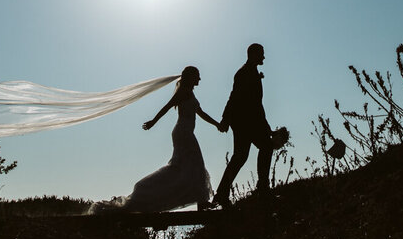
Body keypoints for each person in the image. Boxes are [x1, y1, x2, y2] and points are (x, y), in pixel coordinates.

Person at [92, 66, 224, 213]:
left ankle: (202, 202)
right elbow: (167, 107)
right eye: (197, 76)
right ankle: (148, 192)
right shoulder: (183, 93)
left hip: (186, 133)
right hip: (183, 133)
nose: (199, 79)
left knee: (190, 167)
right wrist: (153, 122)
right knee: (192, 166)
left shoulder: (190, 93)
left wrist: (216, 124)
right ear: (191, 77)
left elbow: (201, 113)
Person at [212, 43, 274, 208]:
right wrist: (226, 118)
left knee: (242, 156)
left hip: (249, 120)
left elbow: (257, 102)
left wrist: (265, 124)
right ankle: (262, 187)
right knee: (262, 148)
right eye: (261, 54)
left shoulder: (251, 72)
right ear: (253, 54)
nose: (264, 57)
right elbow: (234, 97)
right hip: (243, 121)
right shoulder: (244, 73)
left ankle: (222, 194)